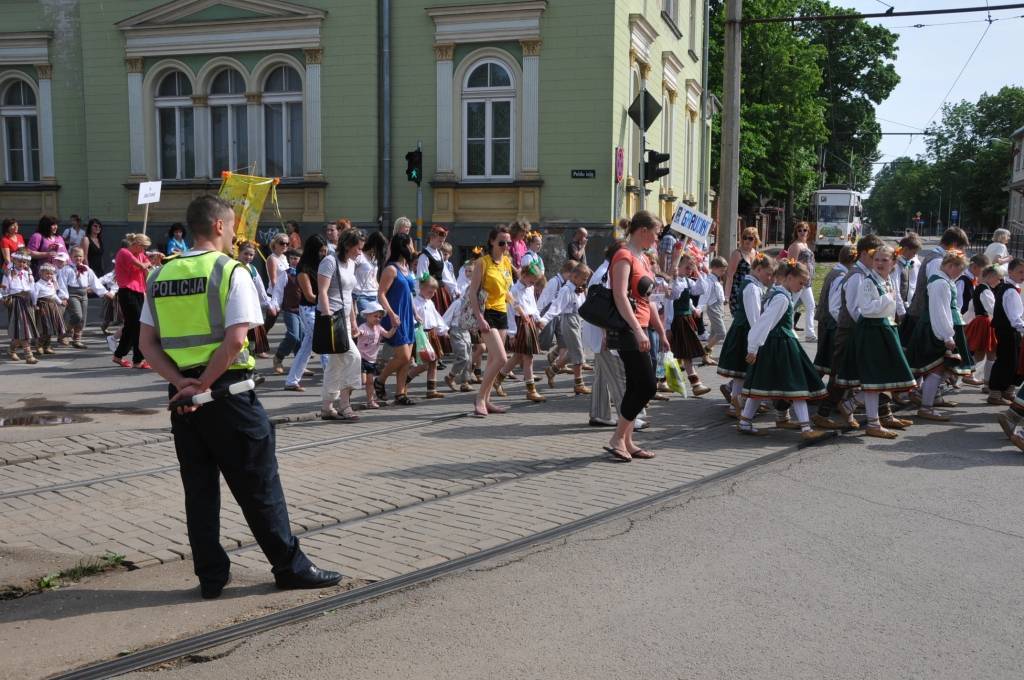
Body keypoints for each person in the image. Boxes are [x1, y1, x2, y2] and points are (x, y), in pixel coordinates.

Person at [139, 195, 341, 599]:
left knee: (199, 490)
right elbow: (235, 340)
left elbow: (147, 344)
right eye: (232, 228)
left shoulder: (159, 276)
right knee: (260, 485)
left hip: (184, 403)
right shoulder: (230, 271)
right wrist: (204, 385)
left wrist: (183, 384)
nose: (235, 235)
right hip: (228, 395)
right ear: (217, 226)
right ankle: (290, 566)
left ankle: (211, 577)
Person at [603, 210, 670, 461]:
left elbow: (648, 300)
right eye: (656, 232)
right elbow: (620, 296)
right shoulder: (624, 256)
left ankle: (628, 441)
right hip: (628, 330)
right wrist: (638, 330)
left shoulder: (642, 258)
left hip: (641, 327)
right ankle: (618, 438)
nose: (657, 237)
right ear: (643, 231)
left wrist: (660, 332)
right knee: (647, 386)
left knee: (635, 386)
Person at [737, 261, 829, 440]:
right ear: (789, 278)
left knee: (762, 385)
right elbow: (765, 322)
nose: (801, 288)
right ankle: (805, 428)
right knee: (796, 385)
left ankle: (745, 421)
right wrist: (753, 347)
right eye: (800, 283)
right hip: (780, 346)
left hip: (779, 344)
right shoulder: (781, 297)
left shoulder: (781, 294)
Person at [835, 246, 917, 439]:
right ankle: (873, 423)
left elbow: (891, 307)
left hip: (884, 331)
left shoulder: (887, 280)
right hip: (871, 331)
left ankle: (851, 405)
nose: (879, 263)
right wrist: (888, 299)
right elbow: (865, 309)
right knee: (874, 379)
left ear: (893, 263)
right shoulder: (868, 282)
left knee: (880, 379)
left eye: (884, 260)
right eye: (877, 260)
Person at [905, 250, 974, 421]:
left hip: (938, 327)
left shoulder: (944, 280)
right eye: (959, 270)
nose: (960, 274)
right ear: (951, 266)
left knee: (941, 368)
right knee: (936, 368)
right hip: (935, 329)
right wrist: (947, 336)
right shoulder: (940, 283)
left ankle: (929, 400)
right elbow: (939, 311)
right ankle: (926, 406)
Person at [467, 225, 516, 417]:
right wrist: (479, 318)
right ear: (492, 242)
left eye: (508, 243)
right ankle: (479, 398)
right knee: (502, 358)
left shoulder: (506, 262)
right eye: (502, 242)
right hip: (486, 313)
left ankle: (487, 401)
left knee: (493, 361)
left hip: (501, 312)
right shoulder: (482, 262)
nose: (505, 246)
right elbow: (472, 292)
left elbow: (507, 291)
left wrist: (518, 308)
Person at [317, 228, 365, 420]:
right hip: (333, 320)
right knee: (354, 357)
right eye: (357, 248)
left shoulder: (351, 264)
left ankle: (327, 407)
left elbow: (349, 296)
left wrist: (353, 321)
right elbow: (322, 291)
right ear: (347, 245)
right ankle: (345, 404)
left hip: (345, 319)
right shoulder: (329, 261)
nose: (359, 252)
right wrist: (328, 315)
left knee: (335, 364)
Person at [717, 253, 774, 415]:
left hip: (745, 330)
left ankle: (737, 403)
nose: (769, 277)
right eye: (767, 273)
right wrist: (758, 336)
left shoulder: (754, 284)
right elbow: (754, 316)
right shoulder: (752, 287)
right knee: (742, 370)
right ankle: (738, 404)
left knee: (741, 372)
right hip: (746, 332)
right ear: (758, 269)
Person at [493, 261, 548, 402]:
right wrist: (512, 333)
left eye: (534, 282)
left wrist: (538, 319)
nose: (532, 284)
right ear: (523, 275)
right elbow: (510, 312)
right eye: (531, 281)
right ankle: (531, 390)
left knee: (518, 356)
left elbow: (533, 306)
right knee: (528, 358)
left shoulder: (529, 289)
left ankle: (498, 379)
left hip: (529, 323)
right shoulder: (513, 291)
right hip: (519, 325)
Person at [374, 232, 417, 406]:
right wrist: (391, 313)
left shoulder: (407, 266)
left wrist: (415, 313)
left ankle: (400, 394)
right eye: (410, 244)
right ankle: (380, 380)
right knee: (404, 357)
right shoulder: (391, 269)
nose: (412, 248)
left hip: (408, 317)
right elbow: (381, 294)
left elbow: (410, 294)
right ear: (403, 246)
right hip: (396, 316)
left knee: (407, 359)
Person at [284, 235, 328, 391]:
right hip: (309, 309)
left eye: (325, 250)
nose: (324, 253)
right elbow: (309, 296)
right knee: (324, 342)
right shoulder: (303, 269)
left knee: (307, 346)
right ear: (313, 250)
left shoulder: (321, 263)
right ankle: (331, 380)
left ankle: (291, 381)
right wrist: (328, 298)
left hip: (320, 307)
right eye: (321, 251)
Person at [543, 262, 593, 396]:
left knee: (573, 352)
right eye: (583, 278)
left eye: (586, 279)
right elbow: (556, 307)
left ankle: (552, 370)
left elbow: (582, 306)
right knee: (578, 353)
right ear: (575, 276)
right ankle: (579, 384)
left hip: (578, 319)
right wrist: (544, 320)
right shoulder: (566, 290)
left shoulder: (579, 289)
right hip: (569, 320)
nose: (585, 281)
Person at [666, 253, 712, 396]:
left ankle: (671, 381)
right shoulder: (673, 283)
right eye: (687, 267)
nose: (689, 270)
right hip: (677, 321)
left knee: (682, 353)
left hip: (687, 319)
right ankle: (694, 383)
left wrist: (698, 271)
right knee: (682, 353)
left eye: (691, 267)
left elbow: (701, 289)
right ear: (677, 267)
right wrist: (667, 326)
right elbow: (671, 301)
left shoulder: (687, 281)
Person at [812, 245, 856, 376]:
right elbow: (834, 307)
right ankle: (813, 388)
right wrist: (842, 323)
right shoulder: (841, 276)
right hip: (830, 324)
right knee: (826, 359)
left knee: (823, 359)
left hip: (826, 321)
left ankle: (814, 388)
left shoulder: (835, 271)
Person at [985, 257, 1024, 405]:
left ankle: (1007, 391)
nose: (1023, 275)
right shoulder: (1011, 291)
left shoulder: (1008, 287)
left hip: (1007, 330)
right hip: (1008, 331)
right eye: (1020, 272)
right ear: (1010, 271)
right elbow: (1015, 318)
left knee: (1012, 361)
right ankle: (995, 393)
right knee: (1007, 361)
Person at [112, 233, 153, 369]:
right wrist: (149, 262)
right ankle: (138, 359)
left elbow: (147, 270)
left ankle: (118, 355)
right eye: (144, 247)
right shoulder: (124, 252)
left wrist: (153, 261)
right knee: (138, 326)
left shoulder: (141, 255)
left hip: (139, 292)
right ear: (137, 245)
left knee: (130, 327)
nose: (144, 251)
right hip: (127, 292)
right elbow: (142, 266)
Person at [58, 246, 112, 348]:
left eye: (80, 256)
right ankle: (66, 332)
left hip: (83, 293)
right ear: (71, 257)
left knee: (83, 318)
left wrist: (104, 292)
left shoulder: (86, 269)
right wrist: (64, 296)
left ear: (83, 257)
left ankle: (77, 339)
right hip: (72, 293)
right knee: (77, 315)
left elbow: (94, 282)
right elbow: (62, 283)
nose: (78, 258)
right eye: (76, 256)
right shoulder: (66, 269)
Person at [408, 276, 448, 400]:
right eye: (430, 291)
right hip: (421, 335)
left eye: (434, 292)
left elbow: (436, 317)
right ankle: (404, 380)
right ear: (421, 288)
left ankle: (431, 390)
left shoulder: (430, 302)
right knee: (424, 364)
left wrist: (443, 329)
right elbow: (413, 319)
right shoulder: (415, 302)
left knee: (433, 362)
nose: (432, 294)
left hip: (431, 334)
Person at [236, 243, 277, 358]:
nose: (248, 257)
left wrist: (267, 303)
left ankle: (256, 351)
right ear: (239, 253)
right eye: (246, 254)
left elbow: (260, 288)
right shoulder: (233, 266)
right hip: (238, 304)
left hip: (251, 304)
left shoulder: (253, 269)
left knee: (255, 329)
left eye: (251, 255)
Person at [964, 264, 1001, 392]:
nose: (999, 281)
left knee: (981, 353)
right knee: (990, 354)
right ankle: (986, 383)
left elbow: (971, 307)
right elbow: (991, 308)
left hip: (981, 321)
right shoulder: (985, 290)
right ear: (990, 277)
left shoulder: (980, 288)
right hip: (984, 322)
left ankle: (968, 373)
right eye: (997, 278)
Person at [356, 302, 396, 408]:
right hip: (361, 358)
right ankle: (346, 395)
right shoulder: (363, 327)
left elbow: (387, 335)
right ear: (367, 315)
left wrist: (395, 327)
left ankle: (370, 401)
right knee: (363, 381)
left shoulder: (378, 327)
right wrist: (356, 333)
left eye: (379, 317)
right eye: (375, 316)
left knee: (370, 382)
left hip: (372, 360)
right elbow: (358, 333)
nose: (377, 319)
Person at [1, 250, 38, 363]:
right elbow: (4, 289)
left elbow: (32, 289)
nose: (22, 264)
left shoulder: (28, 273)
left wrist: (34, 302)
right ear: (14, 260)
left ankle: (11, 350)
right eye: (20, 261)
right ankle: (29, 355)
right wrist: (3, 298)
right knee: (23, 328)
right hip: (16, 301)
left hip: (27, 301)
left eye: (24, 262)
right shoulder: (9, 273)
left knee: (21, 329)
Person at [272, 249, 303, 375]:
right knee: (293, 335)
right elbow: (278, 291)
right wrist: (275, 305)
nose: (294, 260)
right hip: (290, 309)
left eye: (297, 258)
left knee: (302, 338)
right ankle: (278, 358)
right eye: (292, 258)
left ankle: (299, 364)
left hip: (303, 310)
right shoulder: (285, 274)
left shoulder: (305, 274)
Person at [786, 222, 817, 342]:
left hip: (806, 281)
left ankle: (810, 334)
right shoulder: (796, 245)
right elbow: (791, 264)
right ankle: (788, 329)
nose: (802, 232)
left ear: (808, 232)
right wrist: (794, 279)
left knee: (811, 306)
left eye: (805, 230)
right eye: (800, 230)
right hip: (798, 280)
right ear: (796, 232)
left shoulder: (805, 244)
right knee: (791, 305)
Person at [724, 226, 760, 316]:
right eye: (744, 237)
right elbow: (730, 276)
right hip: (738, 291)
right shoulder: (737, 254)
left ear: (755, 240)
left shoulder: (756, 253)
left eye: (750, 238)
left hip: (752, 291)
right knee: (739, 319)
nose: (747, 240)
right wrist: (727, 296)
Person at [442, 293, 474, 393]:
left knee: (469, 358)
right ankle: (451, 376)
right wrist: (444, 330)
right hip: (456, 330)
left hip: (466, 330)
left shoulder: (473, 305)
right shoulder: (457, 303)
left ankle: (465, 382)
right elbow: (447, 316)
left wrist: (473, 327)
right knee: (463, 357)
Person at [32, 263, 67, 355]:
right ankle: (39, 345)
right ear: (41, 273)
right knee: (44, 327)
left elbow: (54, 295)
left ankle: (47, 346)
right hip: (43, 306)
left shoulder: (51, 284)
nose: (49, 275)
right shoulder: (38, 284)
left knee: (51, 326)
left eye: (51, 274)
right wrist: (34, 304)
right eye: (47, 273)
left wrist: (60, 302)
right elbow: (34, 295)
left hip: (52, 306)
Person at [700, 256, 728, 364]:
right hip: (713, 308)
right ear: (714, 268)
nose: (723, 272)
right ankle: (704, 350)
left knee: (713, 333)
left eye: (724, 270)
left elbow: (718, 293)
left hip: (719, 307)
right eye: (721, 270)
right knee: (721, 333)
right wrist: (700, 307)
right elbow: (705, 295)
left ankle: (706, 356)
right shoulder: (709, 280)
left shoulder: (716, 279)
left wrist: (723, 299)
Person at [355, 230, 387, 316]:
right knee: (365, 324)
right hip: (361, 296)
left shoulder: (374, 259)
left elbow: (374, 278)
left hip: (375, 295)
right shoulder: (359, 256)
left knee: (374, 326)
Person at [266, 234, 290, 309]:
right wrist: (276, 298)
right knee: (271, 319)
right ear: (275, 244)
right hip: (275, 294)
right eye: (282, 243)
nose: (285, 245)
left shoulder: (284, 257)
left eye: (287, 243)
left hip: (284, 292)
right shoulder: (272, 258)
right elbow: (273, 280)